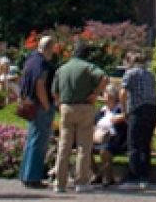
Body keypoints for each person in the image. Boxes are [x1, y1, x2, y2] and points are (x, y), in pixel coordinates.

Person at [52, 41, 108, 193]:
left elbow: (55, 92)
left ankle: (59, 183)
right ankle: (81, 182)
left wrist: (60, 104)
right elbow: (104, 77)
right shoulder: (88, 67)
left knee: (64, 146)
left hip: (66, 107)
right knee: (84, 146)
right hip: (84, 107)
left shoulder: (62, 68)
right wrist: (96, 93)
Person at [18, 36, 58, 189]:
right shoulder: (42, 63)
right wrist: (46, 105)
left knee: (32, 139)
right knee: (39, 141)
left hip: (30, 103)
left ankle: (25, 174)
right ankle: (33, 177)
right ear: (49, 48)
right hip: (40, 105)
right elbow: (40, 84)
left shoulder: (30, 60)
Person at [121, 52, 156, 187]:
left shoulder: (130, 73)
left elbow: (123, 92)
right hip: (153, 109)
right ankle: (144, 176)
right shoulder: (150, 74)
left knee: (134, 143)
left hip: (138, 109)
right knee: (146, 143)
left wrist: (124, 111)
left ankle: (133, 176)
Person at [92, 85, 127, 187]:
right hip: (99, 139)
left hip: (116, 140)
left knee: (105, 151)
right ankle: (96, 174)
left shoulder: (120, 109)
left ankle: (108, 177)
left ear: (114, 96)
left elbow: (126, 124)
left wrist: (121, 118)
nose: (105, 96)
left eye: (107, 93)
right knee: (84, 149)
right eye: (104, 93)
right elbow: (94, 124)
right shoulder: (101, 111)